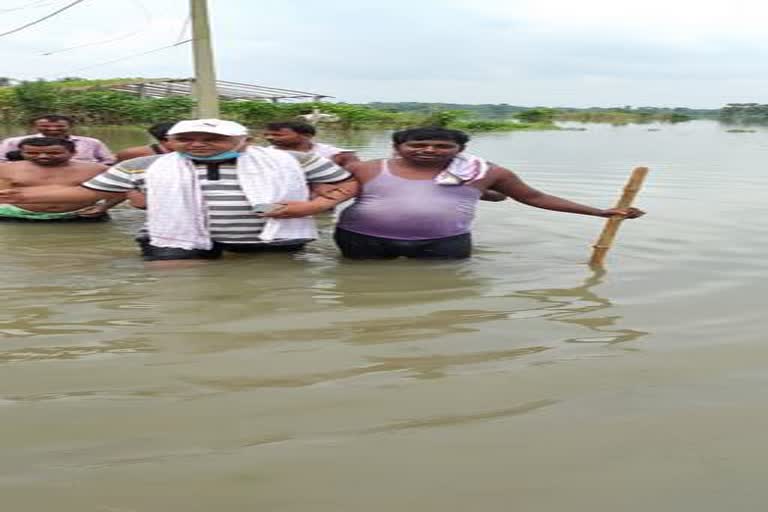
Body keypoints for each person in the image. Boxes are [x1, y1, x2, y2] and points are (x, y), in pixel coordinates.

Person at [0, 119, 358, 261]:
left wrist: (311, 208)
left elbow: (347, 183)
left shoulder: (293, 160)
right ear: (169, 141)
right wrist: (18, 198)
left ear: (241, 139)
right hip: (175, 239)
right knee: (177, 295)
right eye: (186, 139)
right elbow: (86, 193)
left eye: (211, 138)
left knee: (272, 294)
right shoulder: (141, 165)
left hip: (270, 240)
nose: (198, 144)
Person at [334, 127, 644, 259]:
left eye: (442, 146)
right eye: (417, 144)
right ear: (398, 147)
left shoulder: (486, 172)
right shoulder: (369, 168)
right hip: (362, 238)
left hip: (443, 242)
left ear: (461, 149)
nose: (429, 150)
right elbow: (326, 196)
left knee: (444, 291)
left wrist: (600, 212)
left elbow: (534, 198)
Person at [0, 137, 124, 221]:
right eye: (32, 153)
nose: (43, 156)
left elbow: (124, 190)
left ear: (73, 152)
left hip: (81, 215)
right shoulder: (6, 168)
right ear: (22, 153)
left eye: (54, 153)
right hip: (18, 216)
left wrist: (104, 207)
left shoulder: (97, 169)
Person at [0, 114, 115, 164]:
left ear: (70, 126)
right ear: (35, 127)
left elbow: (109, 162)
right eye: (45, 126)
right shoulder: (13, 142)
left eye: (60, 126)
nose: (53, 129)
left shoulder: (92, 142)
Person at [263, 121, 360, 167]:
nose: (269, 138)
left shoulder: (338, 155)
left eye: (278, 135)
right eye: (267, 135)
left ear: (306, 136)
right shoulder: (264, 154)